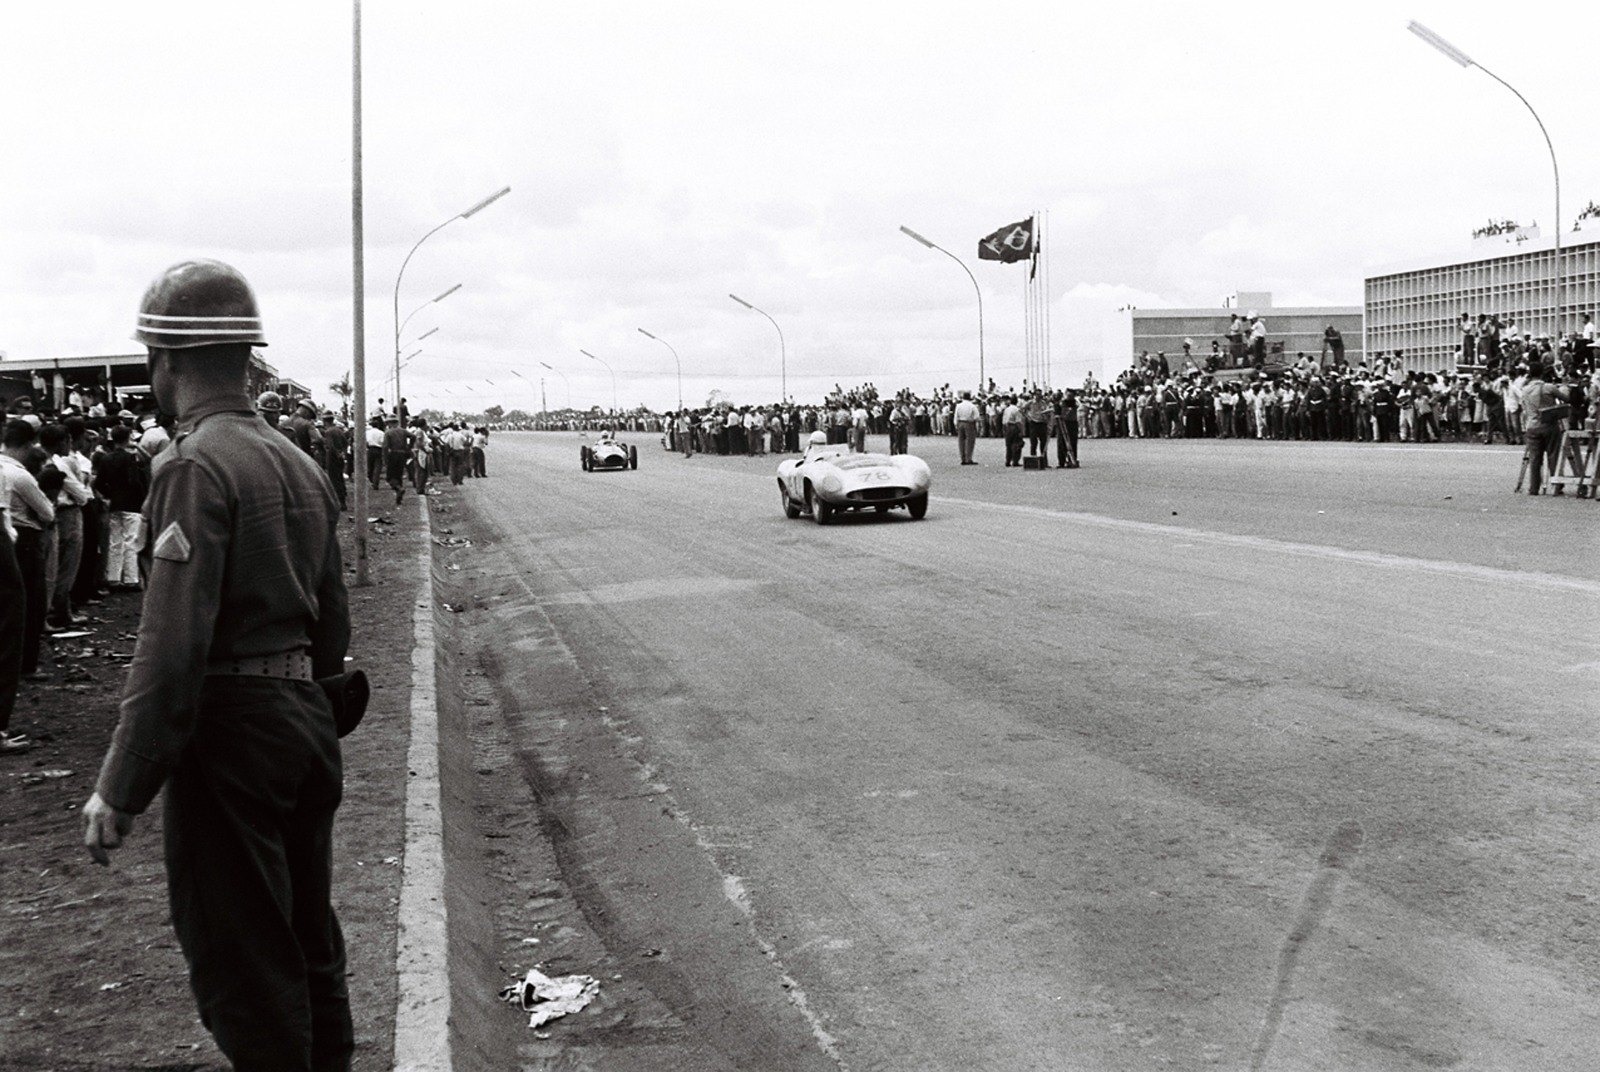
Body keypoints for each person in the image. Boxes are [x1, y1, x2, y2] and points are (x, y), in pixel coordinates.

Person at [82, 259, 353, 1070]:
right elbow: (333, 615)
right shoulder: (296, 460)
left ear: (166, 361)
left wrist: (121, 787)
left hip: (231, 731)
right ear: (248, 358)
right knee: (311, 944)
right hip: (305, 718)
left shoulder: (195, 465)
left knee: (243, 961)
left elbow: (171, 650)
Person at [1520, 361, 1570, 495]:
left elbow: (1524, 408)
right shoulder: (1549, 387)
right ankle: (1556, 485)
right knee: (1553, 455)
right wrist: (1565, 386)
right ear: (1542, 373)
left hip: (1532, 425)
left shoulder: (1525, 389)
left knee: (1535, 459)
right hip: (1548, 425)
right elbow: (1566, 398)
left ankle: (1534, 488)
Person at [382, 414, 409, 505]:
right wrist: (408, 447)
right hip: (402, 454)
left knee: (390, 477)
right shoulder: (403, 431)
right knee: (399, 475)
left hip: (393, 454)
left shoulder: (388, 432)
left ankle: (399, 489)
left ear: (389, 423)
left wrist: (385, 459)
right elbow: (413, 436)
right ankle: (399, 497)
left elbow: (385, 447)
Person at [954, 391, 979, 464]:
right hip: (969, 423)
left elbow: (956, 416)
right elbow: (977, 417)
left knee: (961, 441)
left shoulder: (958, 405)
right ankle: (968, 458)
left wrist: (956, 425)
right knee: (970, 441)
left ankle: (963, 458)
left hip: (960, 422)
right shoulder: (972, 406)